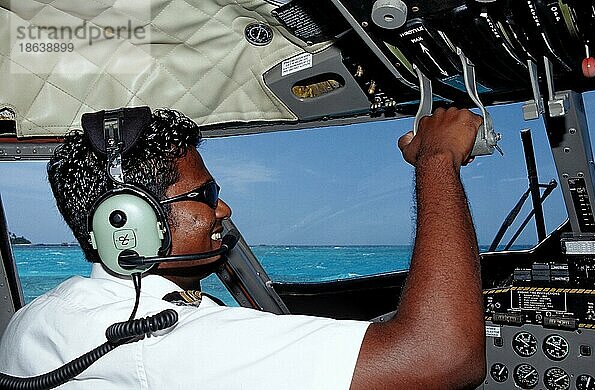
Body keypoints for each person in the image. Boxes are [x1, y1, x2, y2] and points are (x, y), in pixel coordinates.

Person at [0, 107, 485, 389]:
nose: (224, 209)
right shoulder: (156, 342)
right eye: (204, 196)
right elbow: (445, 356)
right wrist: (437, 158)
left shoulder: (38, 316)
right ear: (125, 224)